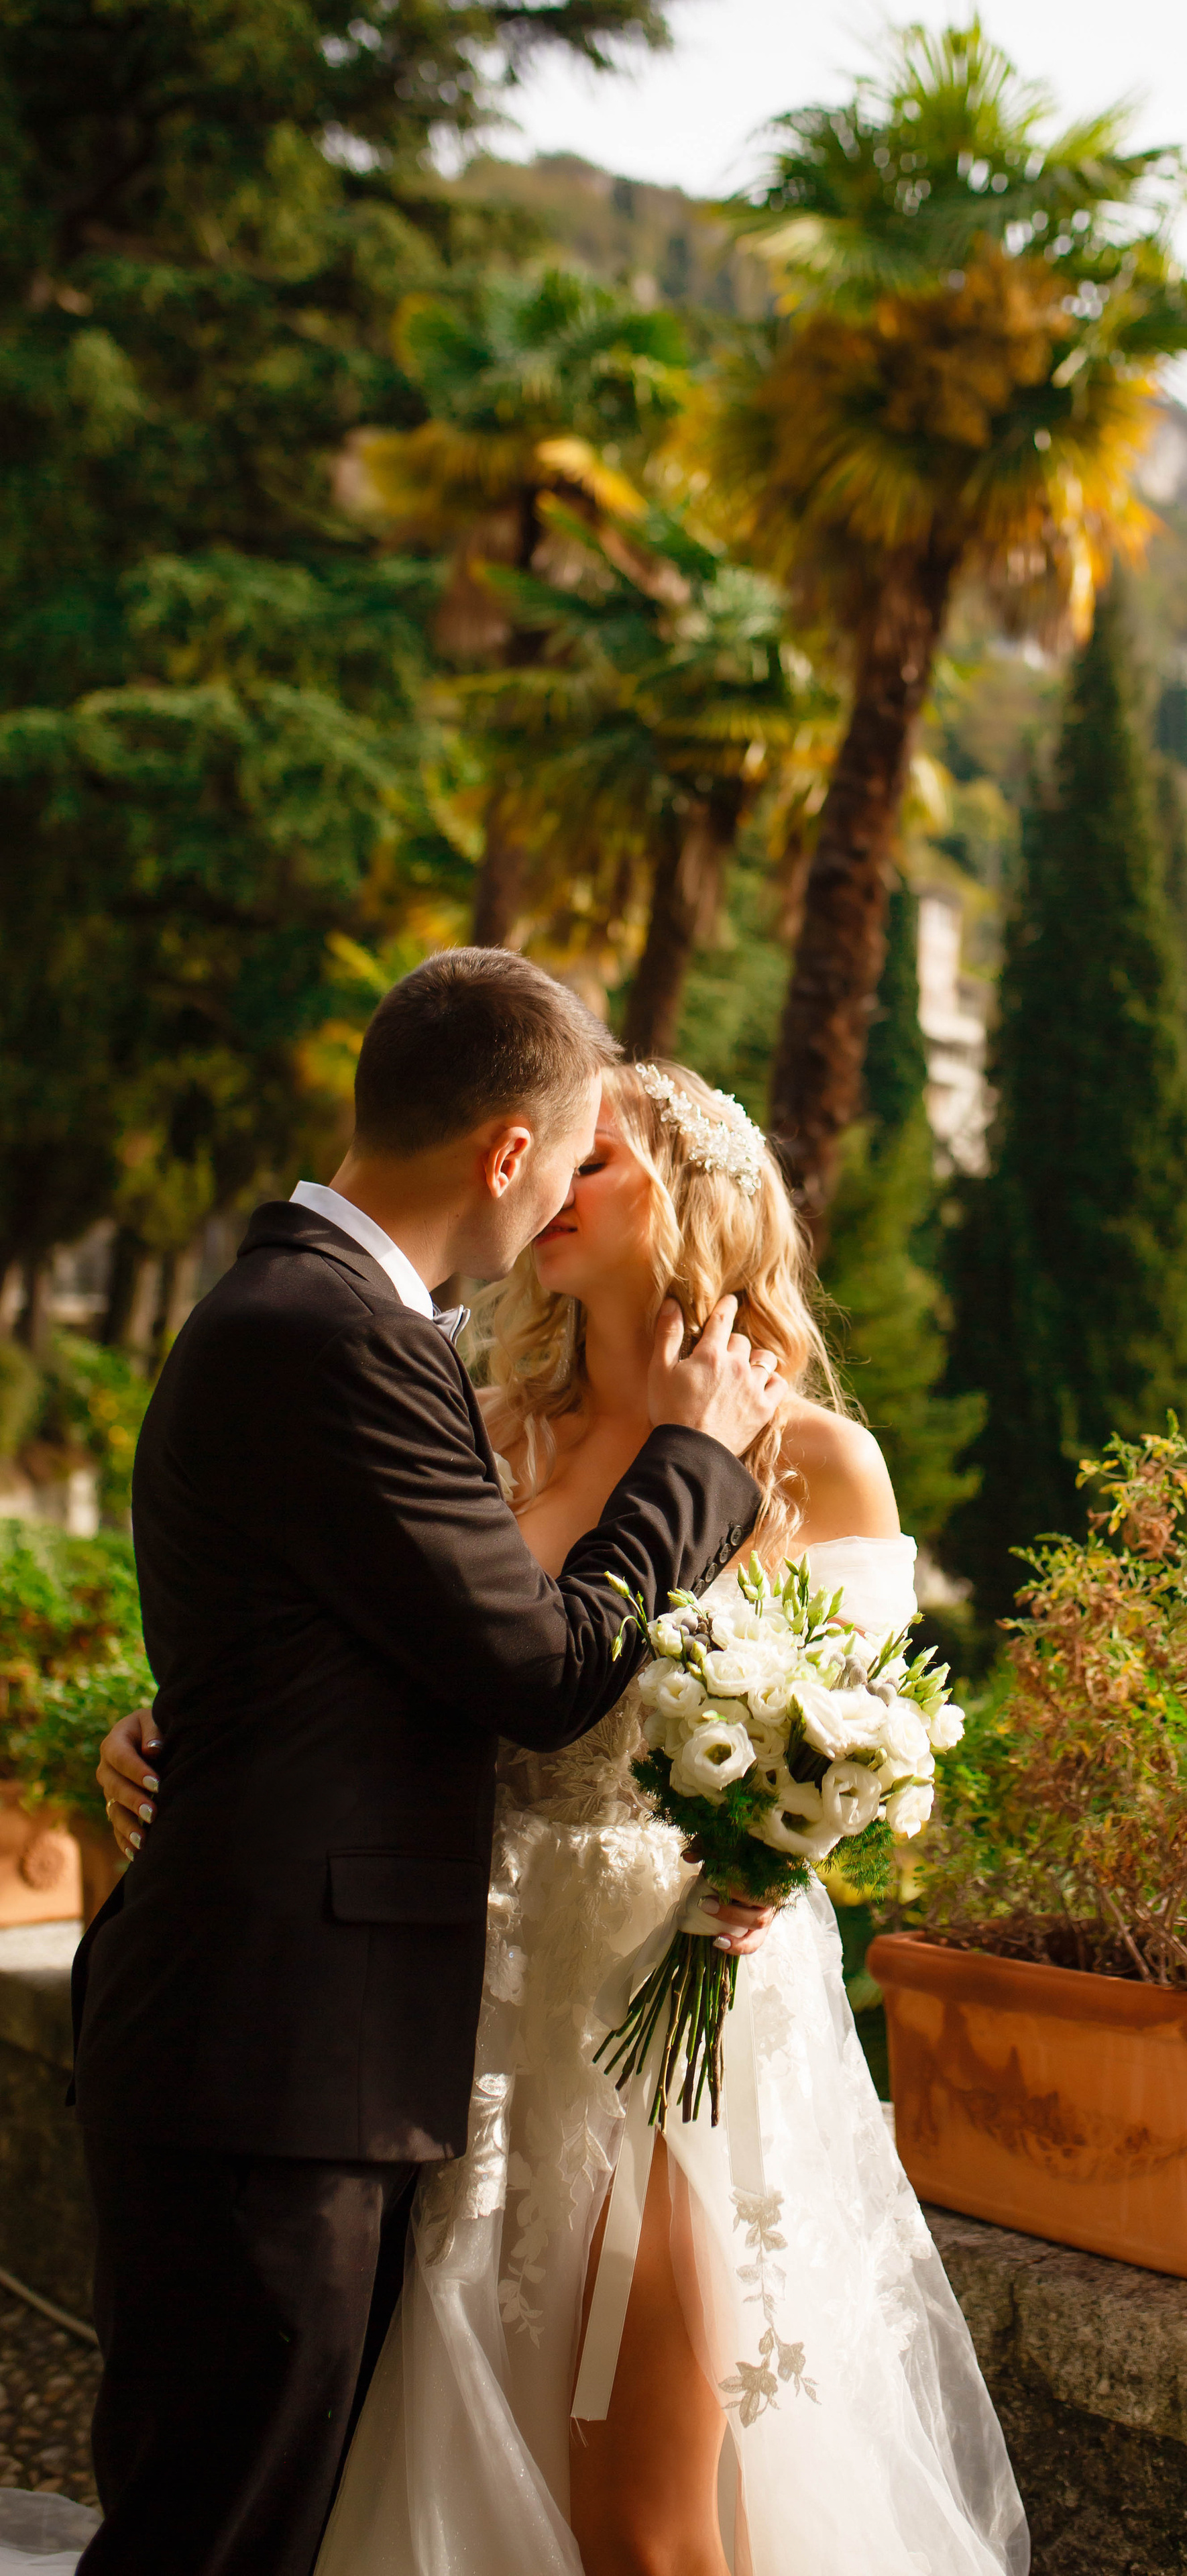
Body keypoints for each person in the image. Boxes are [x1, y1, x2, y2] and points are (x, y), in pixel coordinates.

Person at [104, 1056, 1029, 2576]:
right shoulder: (484, 1417)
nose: (541, 1184)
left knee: (646, 2502)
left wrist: (775, 1851)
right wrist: (178, 1728)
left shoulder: (810, 1461)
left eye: (591, 1165)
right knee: (419, 2438)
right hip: (443, 2005)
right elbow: (373, 1657)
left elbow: (867, 1744)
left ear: (690, 1207)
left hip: (673, 2016)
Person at [64, 956, 783, 2576]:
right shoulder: (338, 1338)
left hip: (301, 2049)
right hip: (268, 2059)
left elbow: (317, 1648)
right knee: (215, 2536)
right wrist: (692, 1468)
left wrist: (177, 1729)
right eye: (572, 1157)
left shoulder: (312, 1317)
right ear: (508, 1157)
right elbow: (536, 1674)